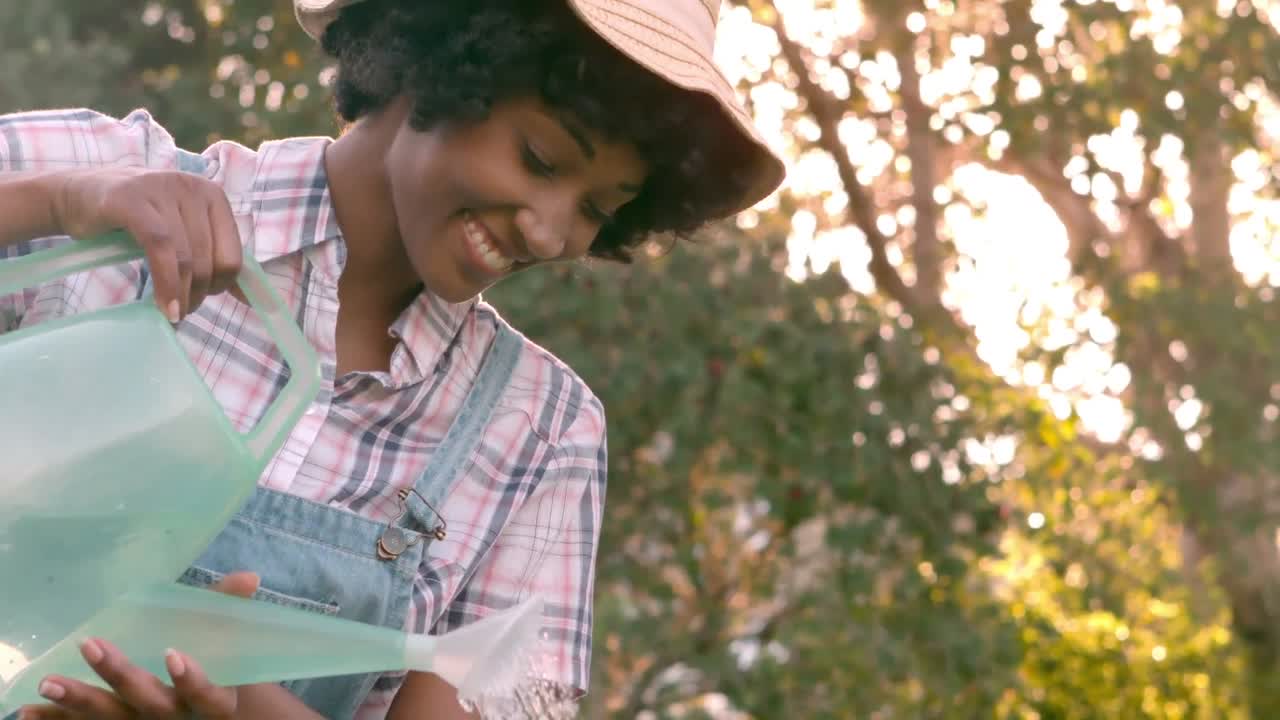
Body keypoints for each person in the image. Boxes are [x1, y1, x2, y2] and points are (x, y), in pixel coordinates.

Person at [0, 0, 784, 717]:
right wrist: (58, 202)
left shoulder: (541, 432)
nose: (550, 234)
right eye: (541, 160)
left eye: (596, 211)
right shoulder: (104, 176)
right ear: (440, 65)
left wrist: (237, 706)